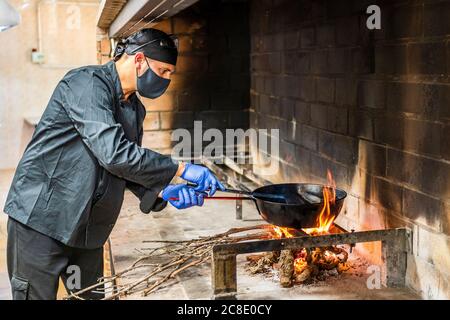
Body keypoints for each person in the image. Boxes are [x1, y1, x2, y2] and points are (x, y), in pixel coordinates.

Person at [3, 28, 224, 300]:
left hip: (87, 231)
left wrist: (161, 191)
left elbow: (124, 167)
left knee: (88, 297)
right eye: (163, 70)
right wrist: (179, 168)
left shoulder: (134, 108)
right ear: (139, 60)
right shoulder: (86, 84)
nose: (166, 79)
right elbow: (115, 154)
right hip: (42, 222)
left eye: (170, 74)